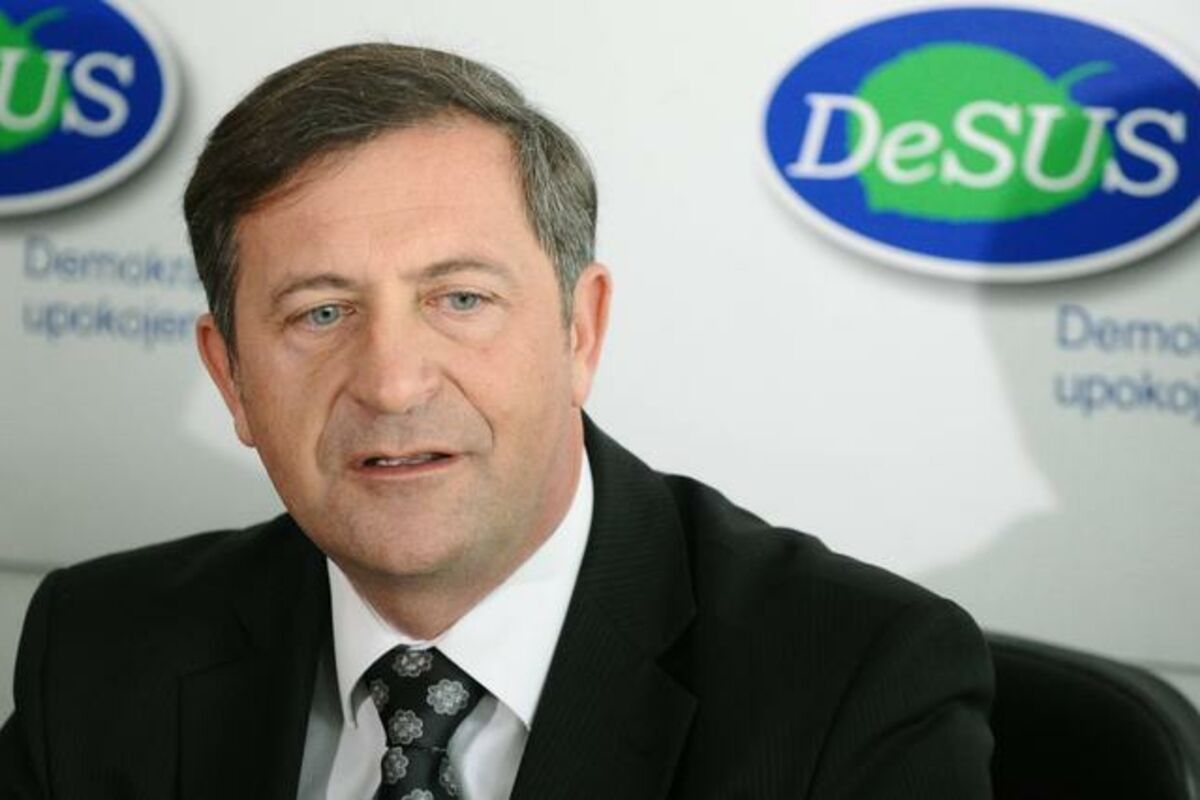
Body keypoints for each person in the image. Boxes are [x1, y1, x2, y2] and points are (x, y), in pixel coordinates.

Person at [0, 43, 993, 799]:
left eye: (461, 299)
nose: (393, 384)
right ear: (231, 377)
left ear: (580, 330)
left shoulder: (851, 684)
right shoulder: (100, 650)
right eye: (321, 313)